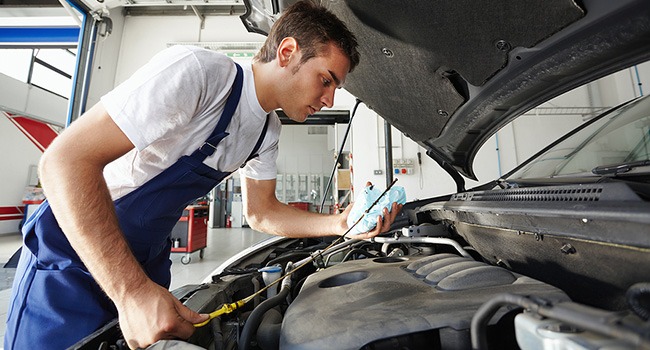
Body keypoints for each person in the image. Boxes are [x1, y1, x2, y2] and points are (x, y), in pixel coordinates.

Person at [4, 1, 402, 349]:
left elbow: (261, 213)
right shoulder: (199, 74)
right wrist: (132, 293)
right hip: (76, 254)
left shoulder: (267, 131)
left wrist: (341, 223)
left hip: (145, 258)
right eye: (326, 80)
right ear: (287, 52)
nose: (329, 99)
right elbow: (64, 162)